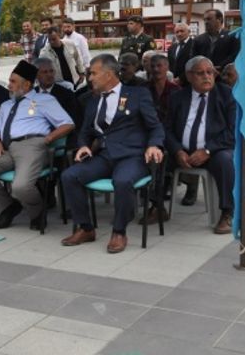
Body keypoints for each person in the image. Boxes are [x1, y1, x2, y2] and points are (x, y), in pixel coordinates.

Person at [60, 54, 164, 254]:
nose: (90, 78)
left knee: (123, 181)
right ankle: (86, 228)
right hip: (104, 156)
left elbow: (155, 126)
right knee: (69, 176)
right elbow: (84, 132)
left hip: (132, 156)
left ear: (108, 75)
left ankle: (119, 231)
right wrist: (83, 145)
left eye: (93, 73)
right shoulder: (93, 101)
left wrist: (154, 145)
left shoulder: (137, 94)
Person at [0, 61, 74, 230]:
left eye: (13, 82)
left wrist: (48, 139)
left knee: (20, 186)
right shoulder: (6, 105)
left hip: (31, 146)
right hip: (6, 148)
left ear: (27, 84)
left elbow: (67, 124)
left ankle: (37, 212)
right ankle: (8, 207)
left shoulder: (44, 100)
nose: (9, 85)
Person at [161, 57, 235, 234]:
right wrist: (177, 150)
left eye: (210, 72)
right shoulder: (178, 97)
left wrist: (208, 150)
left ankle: (227, 212)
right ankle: (157, 207)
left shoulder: (227, 95)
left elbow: (233, 131)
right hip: (183, 152)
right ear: (189, 76)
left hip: (214, 150)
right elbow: (166, 129)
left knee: (225, 160)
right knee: (156, 157)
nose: (206, 77)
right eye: (200, 73)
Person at [34, 57, 82, 130]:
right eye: (45, 72)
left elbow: (74, 121)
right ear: (36, 75)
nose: (49, 75)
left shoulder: (67, 95)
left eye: (51, 71)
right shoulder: (31, 95)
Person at [192, 8, 239, 73]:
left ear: (219, 19)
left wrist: (220, 67)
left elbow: (234, 55)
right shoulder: (198, 39)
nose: (206, 22)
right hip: (204, 75)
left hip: (224, 76)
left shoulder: (232, 36)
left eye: (209, 19)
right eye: (204, 20)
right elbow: (194, 58)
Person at [147, 54, 179, 121]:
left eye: (159, 66)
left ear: (167, 67)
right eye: (152, 66)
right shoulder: (143, 88)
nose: (156, 69)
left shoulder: (176, 90)